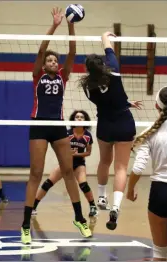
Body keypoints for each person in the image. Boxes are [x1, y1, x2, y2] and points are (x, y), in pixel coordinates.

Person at [21, 7, 91, 244]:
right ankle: (25, 225)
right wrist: (55, 25)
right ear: (44, 64)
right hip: (39, 125)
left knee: (69, 171)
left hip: (58, 126)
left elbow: (72, 52)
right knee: (35, 173)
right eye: (49, 60)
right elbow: (41, 49)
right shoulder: (37, 75)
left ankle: (80, 218)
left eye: (54, 60)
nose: (51, 61)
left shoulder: (63, 76)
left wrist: (71, 24)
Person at [79, 31, 142, 230]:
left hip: (105, 124)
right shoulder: (113, 69)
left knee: (105, 162)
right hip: (124, 123)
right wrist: (105, 35)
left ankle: (102, 198)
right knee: (121, 167)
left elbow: (107, 102)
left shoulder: (87, 87)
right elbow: (108, 45)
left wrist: (125, 102)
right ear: (103, 64)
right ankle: (116, 207)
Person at [32, 110, 98, 218]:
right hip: (65, 163)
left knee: (83, 185)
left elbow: (88, 152)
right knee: (47, 183)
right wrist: (67, 153)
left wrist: (77, 154)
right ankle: (33, 206)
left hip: (79, 164)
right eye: (77, 117)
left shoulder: (88, 136)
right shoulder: (67, 133)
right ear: (73, 119)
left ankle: (93, 207)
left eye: (82, 117)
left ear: (85, 120)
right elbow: (59, 148)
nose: (80, 119)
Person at [127, 86, 167, 261]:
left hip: (160, 193)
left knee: (159, 255)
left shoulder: (150, 132)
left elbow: (137, 168)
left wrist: (130, 189)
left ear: (157, 106)